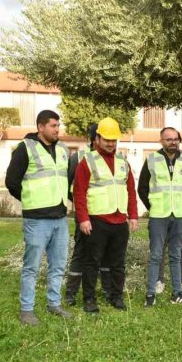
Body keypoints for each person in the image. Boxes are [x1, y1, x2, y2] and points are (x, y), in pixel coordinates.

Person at [5, 109, 73, 325]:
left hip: (60, 218)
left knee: (58, 265)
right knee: (31, 266)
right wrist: (30, 199)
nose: (57, 129)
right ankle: (27, 310)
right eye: (53, 125)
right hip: (37, 219)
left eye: (58, 125)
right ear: (41, 127)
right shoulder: (25, 148)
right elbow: (12, 181)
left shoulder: (62, 149)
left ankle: (54, 304)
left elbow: (66, 179)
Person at [72, 117, 139, 313]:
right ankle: (90, 300)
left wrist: (133, 216)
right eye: (107, 140)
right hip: (97, 221)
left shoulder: (123, 162)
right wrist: (83, 218)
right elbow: (79, 192)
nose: (110, 144)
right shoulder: (87, 161)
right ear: (98, 139)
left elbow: (131, 191)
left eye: (114, 140)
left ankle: (116, 297)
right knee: (91, 262)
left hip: (120, 222)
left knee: (118, 263)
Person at [138, 127, 182, 306]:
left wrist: (180, 204)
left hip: (179, 214)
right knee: (156, 254)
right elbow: (142, 188)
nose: (173, 142)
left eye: (176, 139)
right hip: (159, 215)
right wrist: (153, 206)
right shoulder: (152, 159)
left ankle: (177, 292)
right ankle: (150, 294)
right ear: (161, 141)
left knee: (176, 254)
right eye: (168, 139)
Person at [64, 124, 113, 306]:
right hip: (85, 216)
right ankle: (71, 293)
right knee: (81, 252)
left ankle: (108, 290)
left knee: (107, 254)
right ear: (95, 139)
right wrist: (82, 206)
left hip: (107, 215)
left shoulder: (114, 157)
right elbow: (70, 187)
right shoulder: (78, 157)